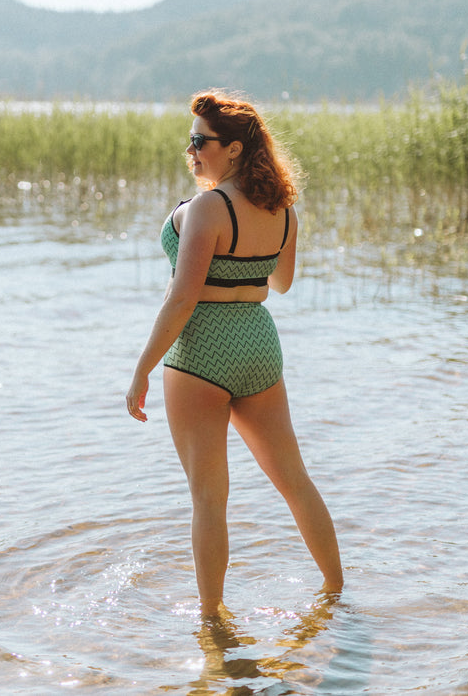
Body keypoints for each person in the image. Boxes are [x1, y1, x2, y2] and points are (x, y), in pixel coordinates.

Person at [126, 89, 343, 616]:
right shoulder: (283, 208)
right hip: (259, 344)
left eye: (202, 142)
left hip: (201, 352)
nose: (192, 151)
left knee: (208, 496)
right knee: (295, 481)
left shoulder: (208, 207)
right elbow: (283, 282)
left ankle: (211, 622)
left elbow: (182, 298)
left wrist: (140, 372)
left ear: (235, 150)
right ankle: (336, 592)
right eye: (190, 141)